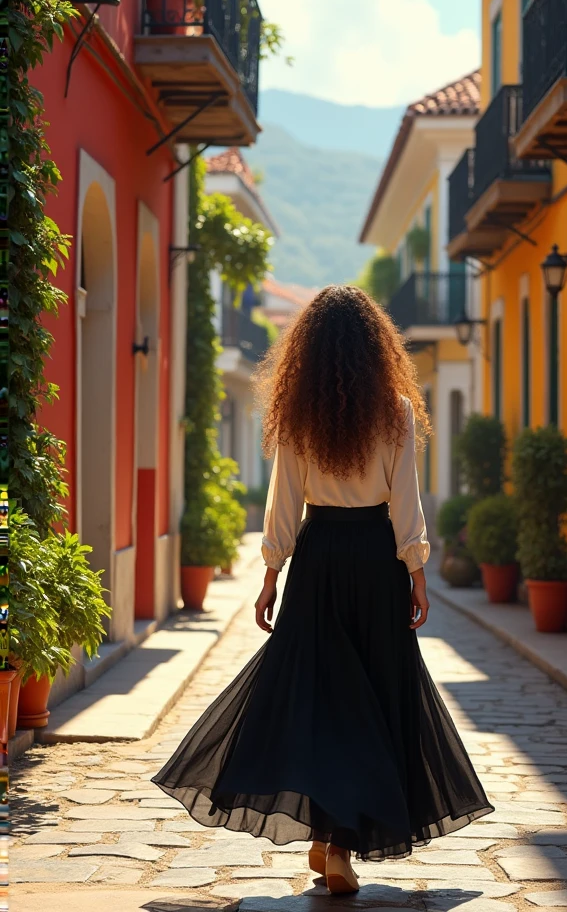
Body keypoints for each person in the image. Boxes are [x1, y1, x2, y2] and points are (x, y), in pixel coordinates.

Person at [153, 286, 493, 893]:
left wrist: (269, 574)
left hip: (317, 561)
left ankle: (325, 837)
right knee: (373, 696)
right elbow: (405, 502)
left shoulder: (297, 413)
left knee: (321, 698)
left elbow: (282, 500)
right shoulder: (395, 409)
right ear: (375, 346)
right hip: (373, 563)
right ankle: (337, 843)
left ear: (307, 348)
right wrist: (416, 573)